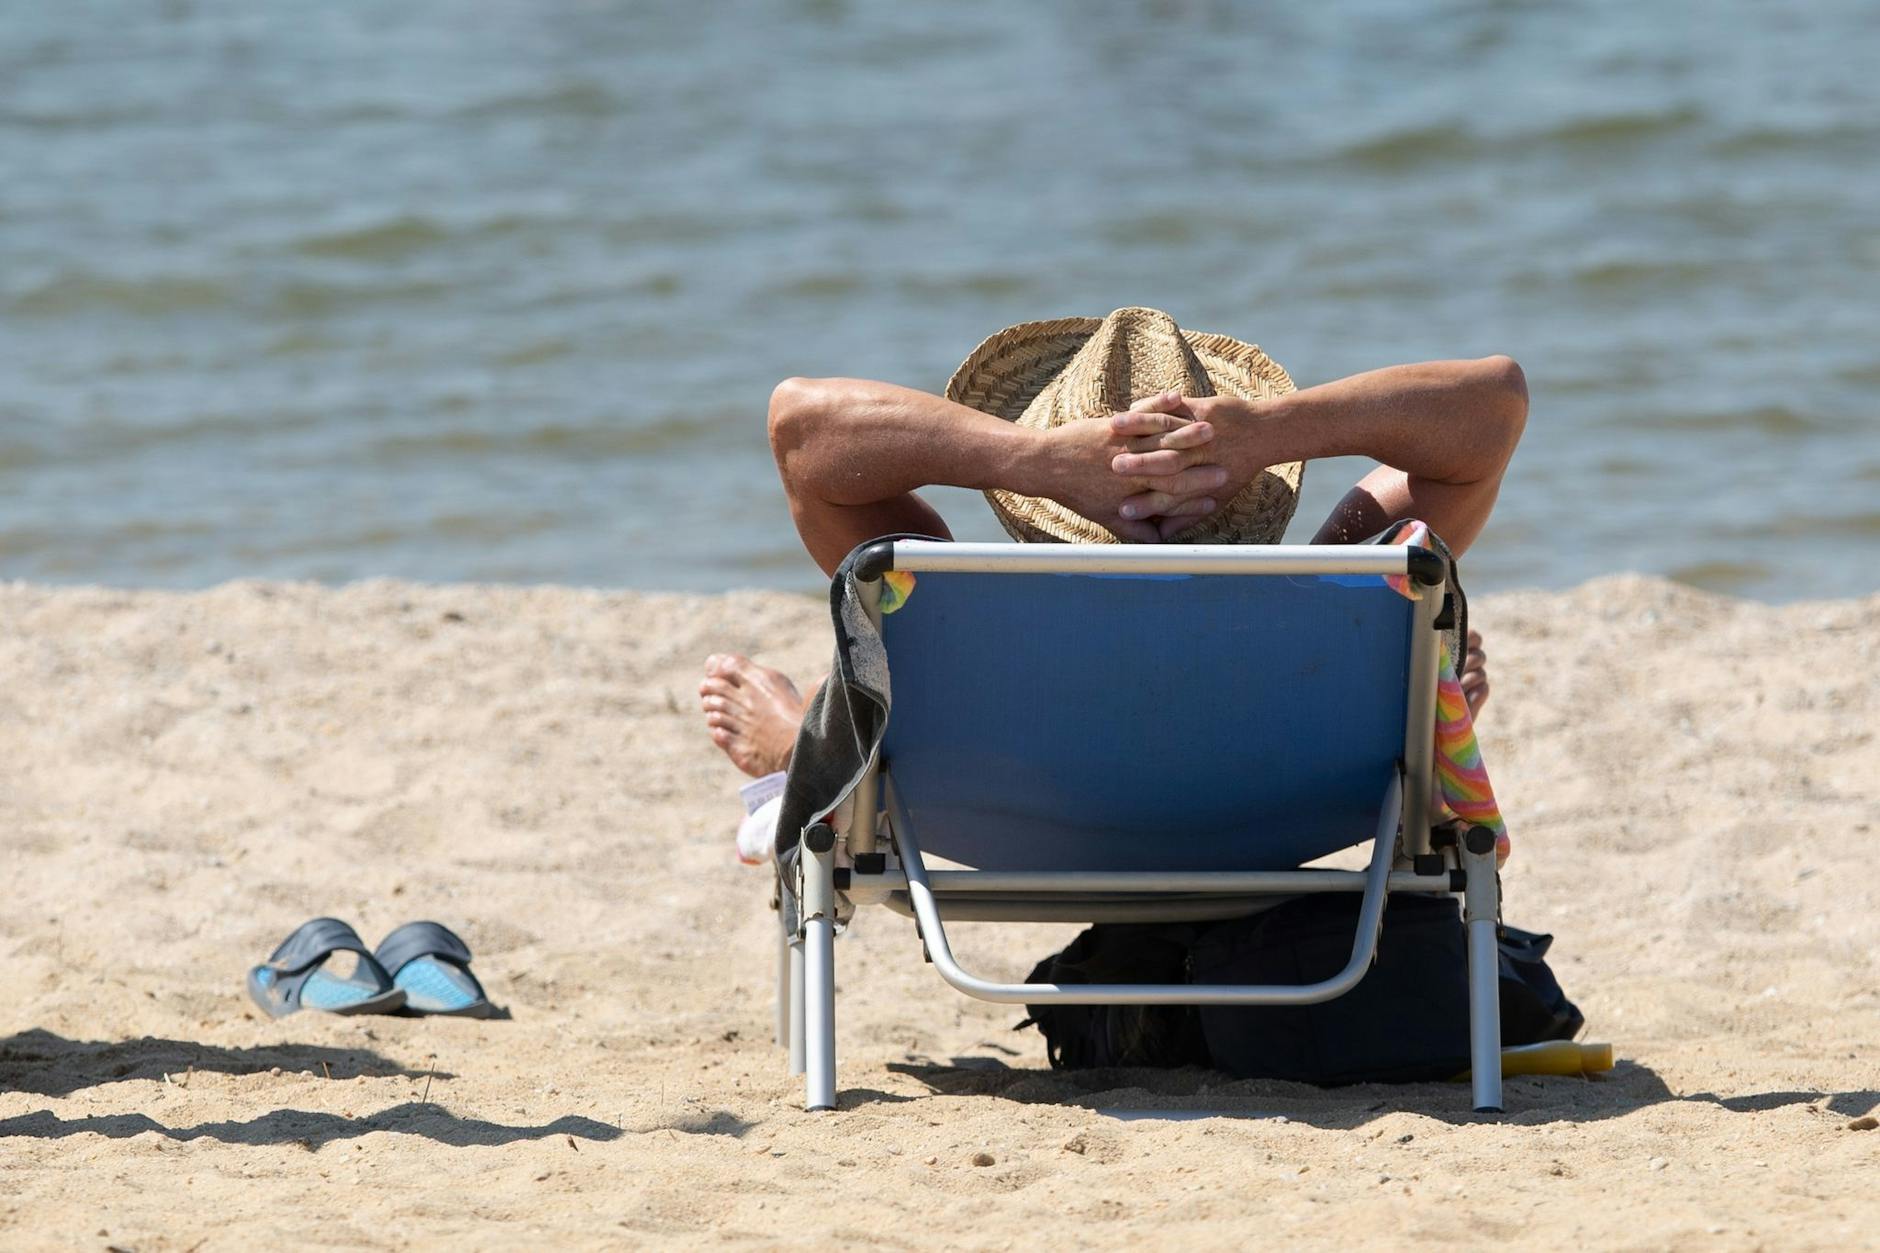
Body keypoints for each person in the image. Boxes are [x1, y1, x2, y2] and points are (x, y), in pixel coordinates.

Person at [702, 307, 1521, 799]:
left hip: (1013, 822)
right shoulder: (1328, 598)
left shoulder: (962, 612)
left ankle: (797, 745)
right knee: (1399, 614)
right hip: (1279, 823)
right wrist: (1274, 431)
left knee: (891, 644)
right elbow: (1497, 406)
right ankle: (1410, 715)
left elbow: (799, 428)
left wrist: (1028, 457)